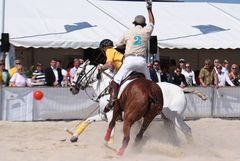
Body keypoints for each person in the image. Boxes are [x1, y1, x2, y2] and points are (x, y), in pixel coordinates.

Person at [103, 1, 155, 113]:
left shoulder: (128, 32)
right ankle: (154, 103)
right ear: (144, 24)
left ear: (134, 23)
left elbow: (118, 45)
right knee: (150, 82)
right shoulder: (147, 31)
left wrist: (127, 44)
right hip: (142, 61)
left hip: (129, 60)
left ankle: (112, 101)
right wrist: (149, 9)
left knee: (116, 80)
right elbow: (152, 22)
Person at [97, 39, 124, 112]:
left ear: (104, 48)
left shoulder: (109, 50)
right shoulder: (114, 51)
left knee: (113, 83)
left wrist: (101, 68)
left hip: (123, 69)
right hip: (125, 67)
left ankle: (112, 102)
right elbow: (112, 66)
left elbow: (110, 65)